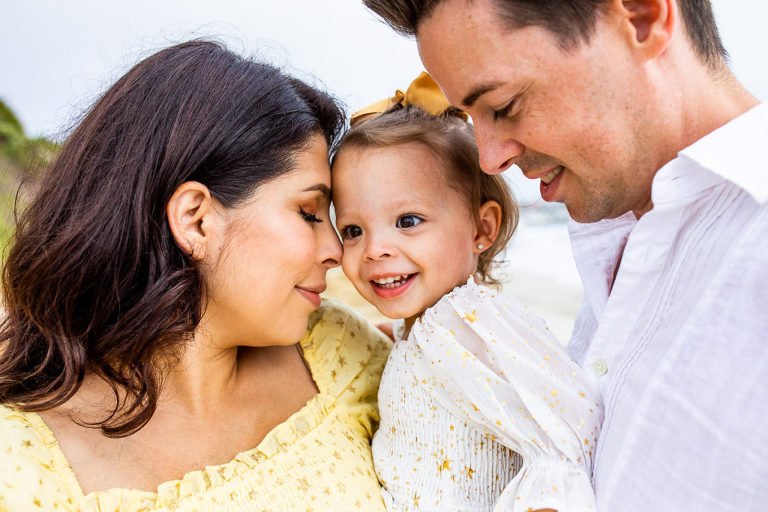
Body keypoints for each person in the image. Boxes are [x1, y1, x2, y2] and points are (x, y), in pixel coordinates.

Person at [362, 0, 768, 509]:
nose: (490, 157)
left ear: (641, 17)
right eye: (470, 117)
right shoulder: (624, 233)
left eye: (504, 106)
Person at [0, 40, 392, 511]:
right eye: (309, 212)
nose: (336, 250)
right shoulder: (24, 469)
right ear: (196, 219)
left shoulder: (343, 358)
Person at [331, 72, 603, 511]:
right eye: (353, 230)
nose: (375, 249)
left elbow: (568, 430)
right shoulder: (436, 326)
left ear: (482, 228)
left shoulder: (457, 326)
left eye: (407, 221)